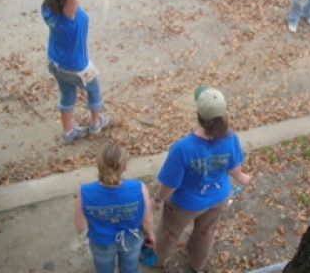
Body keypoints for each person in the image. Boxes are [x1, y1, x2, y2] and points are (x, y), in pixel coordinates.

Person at [151, 86, 252, 272]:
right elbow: (233, 168)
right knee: (205, 232)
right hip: (218, 198)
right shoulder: (231, 139)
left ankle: (157, 261)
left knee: (169, 233)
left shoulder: (182, 148)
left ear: (199, 114)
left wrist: (157, 201)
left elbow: (170, 184)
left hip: (185, 204)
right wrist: (242, 178)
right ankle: (196, 265)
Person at [40, 0, 109, 144]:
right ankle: (96, 123)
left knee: (67, 94)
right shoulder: (68, 16)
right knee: (94, 90)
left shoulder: (47, 8)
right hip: (76, 67)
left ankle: (68, 132)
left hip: (56, 63)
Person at [74, 142, 156, 273]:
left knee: (103, 268)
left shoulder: (84, 192)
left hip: (101, 241)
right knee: (130, 265)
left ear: (98, 166)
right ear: (125, 167)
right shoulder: (139, 188)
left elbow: (81, 227)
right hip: (131, 238)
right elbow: (147, 219)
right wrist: (150, 234)